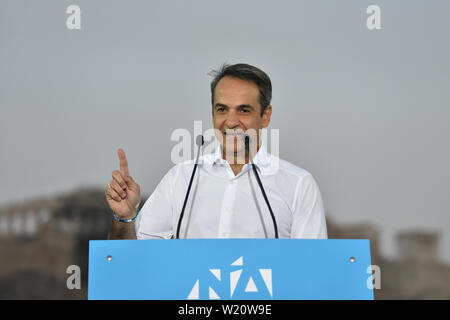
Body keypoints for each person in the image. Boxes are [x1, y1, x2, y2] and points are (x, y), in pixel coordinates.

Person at [105, 63, 327, 240]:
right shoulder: (181, 178)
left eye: (244, 110)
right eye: (222, 109)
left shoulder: (299, 185)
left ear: (265, 116)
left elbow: (312, 271)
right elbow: (133, 260)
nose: (230, 122)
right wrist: (124, 218)